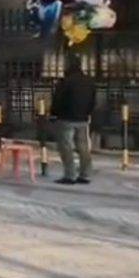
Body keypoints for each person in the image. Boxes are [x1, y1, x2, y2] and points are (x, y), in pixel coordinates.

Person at [51, 55, 96, 185]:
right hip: (83, 118)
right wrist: (88, 113)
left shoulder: (65, 82)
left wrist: (54, 113)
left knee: (66, 147)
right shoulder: (89, 81)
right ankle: (85, 174)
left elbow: (58, 100)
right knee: (83, 147)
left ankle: (70, 175)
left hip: (66, 118)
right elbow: (93, 101)